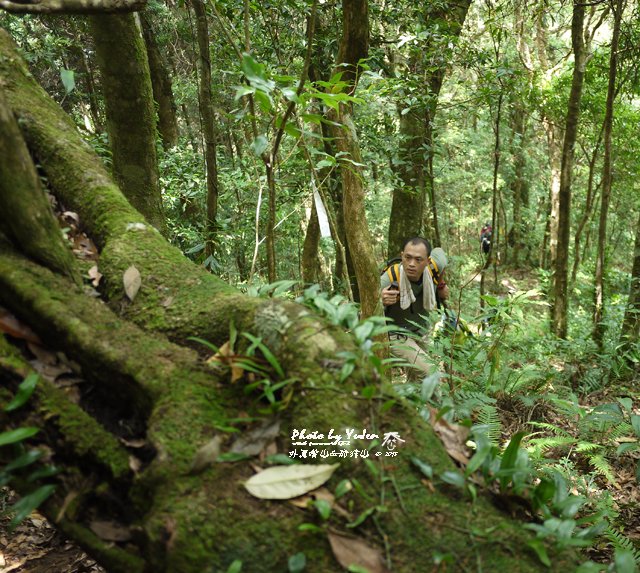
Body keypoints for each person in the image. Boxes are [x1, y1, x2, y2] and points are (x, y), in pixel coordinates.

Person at [380, 237, 449, 380]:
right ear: (401, 256)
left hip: (421, 330)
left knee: (417, 382)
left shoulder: (434, 266)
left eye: (418, 260)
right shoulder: (389, 279)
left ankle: (414, 402)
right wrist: (380, 301)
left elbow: (440, 253)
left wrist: (441, 284)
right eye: (408, 258)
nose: (411, 264)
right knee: (431, 372)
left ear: (428, 261)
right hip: (396, 334)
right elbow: (363, 311)